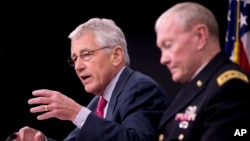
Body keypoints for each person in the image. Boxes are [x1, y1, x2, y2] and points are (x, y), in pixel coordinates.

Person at [9, 18, 170, 141]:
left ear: (116, 55)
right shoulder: (97, 103)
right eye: (74, 59)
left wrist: (76, 113)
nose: (78, 66)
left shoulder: (140, 89)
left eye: (86, 55)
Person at [154, 2, 250, 141]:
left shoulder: (230, 87)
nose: (163, 59)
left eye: (168, 45)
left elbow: (238, 133)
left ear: (200, 36)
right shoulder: (197, 87)